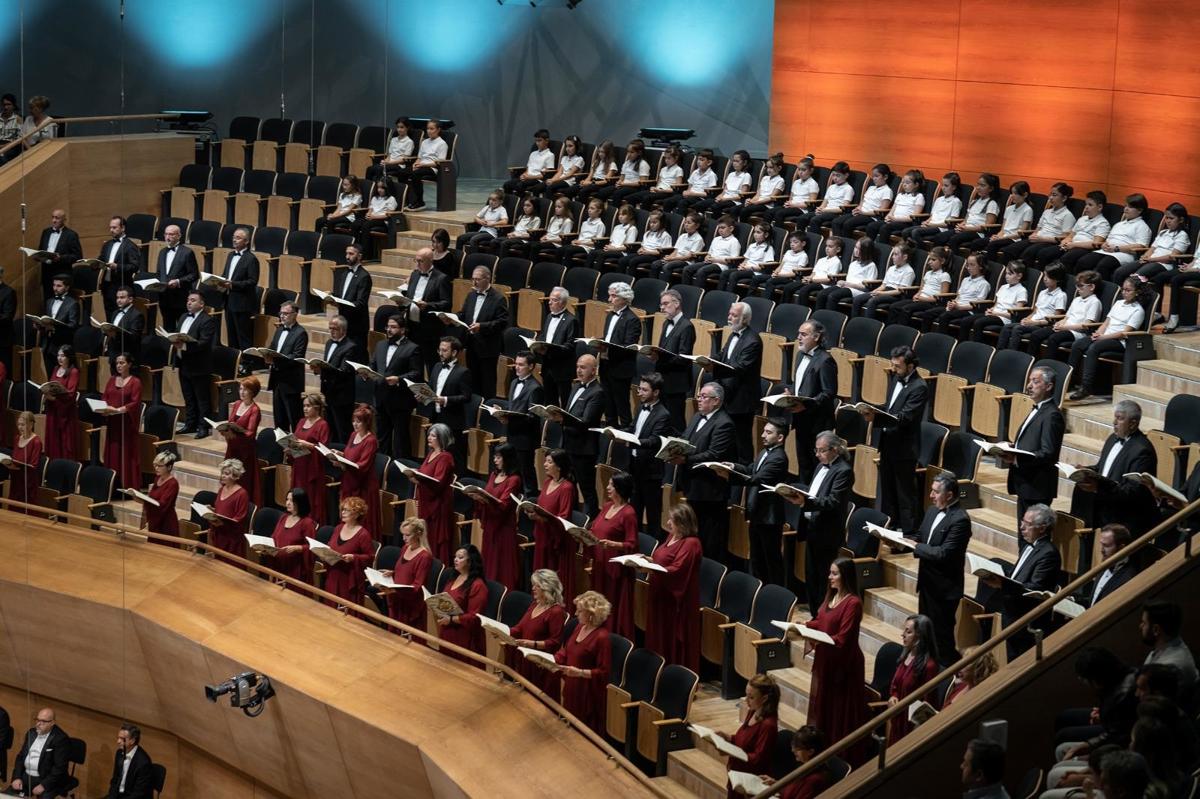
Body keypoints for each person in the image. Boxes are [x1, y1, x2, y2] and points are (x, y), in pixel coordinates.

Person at [800, 558, 869, 749]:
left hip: (843, 665)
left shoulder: (853, 603)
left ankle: (837, 750)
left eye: (834, 573)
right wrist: (804, 625)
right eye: (830, 572)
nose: (830, 577)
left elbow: (843, 638)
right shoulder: (832, 596)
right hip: (826, 660)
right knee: (824, 707)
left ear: (845, 576)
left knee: (838, 711)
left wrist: (816, 635)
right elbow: (822, 622)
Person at [1068, 400, 1158, 544]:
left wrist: (1098, 488)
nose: (1114, 422)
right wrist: (1086, 470)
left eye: (1120, 418)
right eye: (1115, 417)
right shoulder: (1112, 439)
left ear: (1133, 423)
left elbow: (1132, 492)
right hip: (1105, 508)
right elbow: (1102, 468)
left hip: (1123, 518)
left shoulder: (1142, 450)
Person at [786, 431, 854, 614]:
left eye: (821, 450)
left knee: (824, 578)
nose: (817, 454)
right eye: (816, 450)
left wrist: (805, 502)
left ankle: (823, 616)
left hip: (827, 533)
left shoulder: (844, 471)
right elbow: (814, 492)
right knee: (811, 576)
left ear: (835, 450)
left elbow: (833, 501)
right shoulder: (820, 466)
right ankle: (814, 614)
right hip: (812, 528)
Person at [982, 504, 1062, 659]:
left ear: (1042, 528)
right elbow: (1018, 575)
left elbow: (1036, 589)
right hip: (1012, 612)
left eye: (1028, 524)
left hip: (1025, 620)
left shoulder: (1049, 554)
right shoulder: (1028, 546)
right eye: (1022, 522)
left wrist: (1002, 584)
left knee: (1017, 661)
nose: (1022, 527)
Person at [863, 345, 928, 534]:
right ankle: (889, 527)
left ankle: (909, 533)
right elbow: (891, 408)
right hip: (888, 443)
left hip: (905, 449)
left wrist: (876, 418)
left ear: (911, 366)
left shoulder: (920, 387)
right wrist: (872, 409)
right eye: (893, 365)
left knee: (905, 494)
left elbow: (905, 417)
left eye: (897, 366)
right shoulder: (895, 378)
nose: (893, 369)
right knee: (888, 490)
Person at [671, 381, 736, 561]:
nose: (699, 399)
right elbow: (685, 439)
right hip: (693, 486)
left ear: (716, 401)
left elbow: (714, 454)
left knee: (708, 540)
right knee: (693, 535)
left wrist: (685, 459)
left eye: (704, 396)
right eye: (699, 396)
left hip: (710, 492)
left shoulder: (724, 423)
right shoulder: (697, 417)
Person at [913, 473, 973, 665]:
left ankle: (947, 676)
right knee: (924, 634)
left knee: (941, 640)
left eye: (936, 492)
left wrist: (915, 547)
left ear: (949, 495)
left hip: (944, 589)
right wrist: (898, 541)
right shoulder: (932, 511)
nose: (931, 495)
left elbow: (943, 553)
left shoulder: (960, 520)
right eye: (931, 490)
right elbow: (920, 537)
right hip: (927, 584)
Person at [1001, 365, 1065, 538]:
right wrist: (1012, 447)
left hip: (1037, 486)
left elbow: (1048, 453)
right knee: (1024, 536)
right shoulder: (1038, 409)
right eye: (1030, 381)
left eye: (1035, 382)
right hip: (1026, 483)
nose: (1029, 386)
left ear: (1049, 386)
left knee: (1032, 537)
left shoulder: (1052, 415)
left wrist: (1016, 458)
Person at [726, 419, 790, 586]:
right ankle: (760, 591)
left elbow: (756, 479)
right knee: (757, 558)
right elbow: (750, 470)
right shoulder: (764, 452)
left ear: (780, 438)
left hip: (769, 517)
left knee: (771, 561)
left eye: (768, 432)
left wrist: (729, 475)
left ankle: (775, 593)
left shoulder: (779, 458)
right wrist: (733, 466)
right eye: (764, 431)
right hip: (757, 514)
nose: (763, 435)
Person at [639, 503, 702, 671]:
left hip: (675, 603)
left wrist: (650, 568)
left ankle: (672, 674)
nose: (668, 523)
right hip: (660, 596)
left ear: (682, 523)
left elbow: (677, 570)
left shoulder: (691, 543)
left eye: (672, 520)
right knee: (658, 635)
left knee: (670, 638)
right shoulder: (672, 536)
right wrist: (647, 560)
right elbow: (663, 559)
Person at [1067, 278, 1147, 401]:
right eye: (1123, 289)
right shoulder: (1118, 303)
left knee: (1094, 348)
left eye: (1128, 290)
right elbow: (1107, 322)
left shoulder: (1138, 310)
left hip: (1119, 341)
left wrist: (1103, 337)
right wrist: (1098, 333)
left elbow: (1124, 333)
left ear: (1137, 292)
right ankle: (1069, 380)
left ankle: (1086, 387)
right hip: (1104, 336)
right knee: (1078, 344)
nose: (1124, 292)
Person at [618, 372, 675, 540]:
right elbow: (633, 428)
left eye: (644, 390)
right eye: (639, 389)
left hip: (650, 472)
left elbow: (654, 441)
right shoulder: (639, 407)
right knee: (634, 510)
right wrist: (618, 433)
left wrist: (631, 441)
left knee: (652, 514)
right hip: (634, 466)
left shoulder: (663, 414)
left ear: (656, 392)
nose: (639, 392)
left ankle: (652, 548)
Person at [783, 319, 838, 483]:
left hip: (817, 424)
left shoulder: (826, 360)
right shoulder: (800, 355)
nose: (798, 337)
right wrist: (791, 393)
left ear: (816, 337)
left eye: (803, 334)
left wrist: (805, 405)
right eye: (798, 334)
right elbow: (799, 383)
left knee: (816, 467)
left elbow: (829, 393)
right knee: (803, 465)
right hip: (801, 420)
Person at [552, 590, 612, 734]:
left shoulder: (602, 637)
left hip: (587, 693)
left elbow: (604, 672)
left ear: (591, 614)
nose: (575, 614)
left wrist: (580, 672)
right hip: (571, 687)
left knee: (581, 734)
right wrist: (551, 659)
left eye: (579, 611)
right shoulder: (579, 627)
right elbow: (567, 650)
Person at [710, 302, 763, 463]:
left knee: (742, 443)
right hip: (729, 394)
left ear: (744, 319)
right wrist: (709, 360)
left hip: (742, 401)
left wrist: (714, 368)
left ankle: (743, 474)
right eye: (729, 314)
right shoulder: (733, 334)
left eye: (734, 315)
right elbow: (723, 355)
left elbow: (739, 368)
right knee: (728, 442)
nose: (729, 318)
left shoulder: (753, 340)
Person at [555, 354, 605, 517]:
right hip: (568, 444)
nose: (578, 370)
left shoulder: (598, 392)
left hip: (584, 449)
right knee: (569, 486)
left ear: (594, 370)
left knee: (587, 489)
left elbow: (586, 421)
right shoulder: (576, 387)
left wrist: (562, 418)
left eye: (583, 367)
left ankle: (590, 521)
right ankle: (572, 517)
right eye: (577, 366)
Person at [590, 473, 639, 639]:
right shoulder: (607, 506)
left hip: (616, 569)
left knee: (612, 604)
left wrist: (613, 544)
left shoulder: (628, 513)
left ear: (620, 488)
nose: (607, 487)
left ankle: (612, 639)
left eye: (611, 485)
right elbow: (595, 528)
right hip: (600, 564)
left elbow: (632, 545)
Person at [502, 569, 566, 693]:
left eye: (537, 586)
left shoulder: (556, 612)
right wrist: (503, 631)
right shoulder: (534, 604)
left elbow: (555, 642)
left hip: (540, 666)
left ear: (547, 588)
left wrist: (533, 644)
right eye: (533, 585)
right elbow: (520, 628)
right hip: (527, 659)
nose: (533, 588)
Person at [369, 314, 422, 459]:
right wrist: (366, 372)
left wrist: (399, 379)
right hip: (381, 399)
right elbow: (373, 365)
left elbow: (417, 373)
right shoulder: (380, 345)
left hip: (400, 401)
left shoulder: (413, 348)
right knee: (382, 439)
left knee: (400, 442)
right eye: (388, 326)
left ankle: (401, 469)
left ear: (402, 330)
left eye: (393, 327)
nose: (389, 330)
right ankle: (384, 468)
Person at [526, 449, 576, 599]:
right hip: (542, 536)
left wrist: (541, 518)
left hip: (556, 541)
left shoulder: (567, 487)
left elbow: (563, 518)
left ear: (559, 466)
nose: (545, 465)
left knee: (550, 582)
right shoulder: (547, 482)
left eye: (549, 462)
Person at [720, 674, 780, 798]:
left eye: (751, 697)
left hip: (749, 782)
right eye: (746, 695)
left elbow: (758, 759)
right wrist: (729, 738)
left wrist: (733, 752)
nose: (746, 700)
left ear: (764, 698)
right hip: (737, 774)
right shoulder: (753, 711)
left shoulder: (768, 725)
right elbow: (744, 740)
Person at [887, 614, 940, 745]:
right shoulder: (906, 655)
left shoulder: (929, 666)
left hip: (912, 726)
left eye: (908, 632)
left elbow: (928, 703)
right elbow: (896, 685)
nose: (902, 634)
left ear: (920, 636)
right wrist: (893, 696)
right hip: (898, 719)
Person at [457, 265, 509, 400]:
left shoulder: (499, 298)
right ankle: (475, 408)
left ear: (488, 279)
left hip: (488, 348)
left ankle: (486, 409)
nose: (474, 282)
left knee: (487, 383)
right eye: (473, 279)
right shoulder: (471, 295)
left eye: (477, 279)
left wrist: (482, 326)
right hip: (471, 344)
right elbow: (463, 314)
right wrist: (452, 318)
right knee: (473, 381)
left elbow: (502, 322)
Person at [332, 405, 382, 540]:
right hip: (349, 482)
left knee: (361, 520)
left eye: (358, 422)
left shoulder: (371, 441)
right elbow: (350, 456)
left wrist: (343, 463)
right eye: (353, 421)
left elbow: (362, 466)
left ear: (366, 423)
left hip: (363, 486)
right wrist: (339, 455)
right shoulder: (353, 435)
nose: (355, 424)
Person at [594, 281, 640, 426]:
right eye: (610, 296)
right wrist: (598, 342)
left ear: (624, 298)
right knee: (608, 405)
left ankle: (625, 432)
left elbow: (629, 347)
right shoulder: (610, 316)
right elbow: (609, 338)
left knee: (622, 406)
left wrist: (606, 348)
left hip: (620, 368)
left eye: (613, 296)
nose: (609, 299)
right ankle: (609, 432)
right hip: (606, 365)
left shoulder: (632, 319)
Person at [649, 289, 696, 430]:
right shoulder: (666, 323)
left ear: (676, 304)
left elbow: (683, 357)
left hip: (676, 383)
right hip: (663, 379)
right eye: (661, 304)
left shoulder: (687, 326)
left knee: (676, 422)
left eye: (665, 304)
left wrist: (660, 358)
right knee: (662, 421)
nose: (662, 307)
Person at [476, 443, 521, 588]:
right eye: (494, 457)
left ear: (507, 458)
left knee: (502, 566)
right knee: (489, 562)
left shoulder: (514, 479)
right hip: (490, 525)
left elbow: (504, 504)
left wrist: (485, 500)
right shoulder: (493, 475)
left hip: (504, 528)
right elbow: (488, 493)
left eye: (498, 457)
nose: (495, 460)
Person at [498, 350, 543, 494]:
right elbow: (512, 407)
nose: (517, 367)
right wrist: (502, 413)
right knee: (513, 474)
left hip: (525, 439)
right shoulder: (513, 382)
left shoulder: (536, 388)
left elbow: (532, 417)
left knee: (526, 474)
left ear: (531, 366)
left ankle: (530, 500)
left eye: (521, 365)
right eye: (516, 364)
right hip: (512, 435)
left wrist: (510, 418)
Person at [403, 248, 452, 374]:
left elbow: (446, 303)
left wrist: (428, 305)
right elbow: (410, 296)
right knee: (414, 365)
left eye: (421, 261)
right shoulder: (414, 275)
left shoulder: (441, 278)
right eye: (416, 260)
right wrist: (402, 302)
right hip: (412, 327)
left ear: (431, 260)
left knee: (431, 364)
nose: (417, 264)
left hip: (429, 329)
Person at [174, 292, 216, 438]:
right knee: (189, 398)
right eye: (188, 300)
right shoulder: (183, 317)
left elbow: (204, 343)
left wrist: (184, 346)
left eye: (193, 300)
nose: (189, 302)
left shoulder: (207, 320)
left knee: (202, 399)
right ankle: (190, 424)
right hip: (183, 363)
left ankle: (203, 427)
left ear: (201, 304)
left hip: (199, 366)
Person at [312, 315, 360, 444]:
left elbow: (344, 371)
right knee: (330, 430)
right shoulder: (329, 343)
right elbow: (328, 364)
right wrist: (318, 369)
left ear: (343, 330)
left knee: (342, 431)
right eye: (330, 328)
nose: (332, 331)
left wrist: (322, 370)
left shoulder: (351, 347)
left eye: (335, 328)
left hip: (342, 396)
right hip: (329, 393)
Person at [437, 544, 488, 664]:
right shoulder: (454, 577)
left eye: (460, 557)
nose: (456, 559)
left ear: (470, 562)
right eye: (455, 557)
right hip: (447, 631)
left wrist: (451, 619)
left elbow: (474, 617)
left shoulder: (478, 585)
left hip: (465, 638)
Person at [427, 337, 472, 471]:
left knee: (453, 456)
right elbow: (431, 389)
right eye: (439, 350)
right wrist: (423, 396)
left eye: (444, 350)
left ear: (454, 352)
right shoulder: (436, 366)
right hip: (436, 417)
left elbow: (466, 397)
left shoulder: (463, 372)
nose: (441, 353)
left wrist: (446, 400)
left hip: (452, 421)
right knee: (435, 453)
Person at [413, 423, 456, 564]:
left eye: (433, 436)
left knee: (435, 540)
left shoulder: (446, 457)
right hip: (426, 503)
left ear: (441, 438)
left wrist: (419, 480)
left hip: (438, 507)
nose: (429, 438)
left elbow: (438, 483)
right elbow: (424, 473)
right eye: (429, 435)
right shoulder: (431, 453)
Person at [288, 391, 331, 524]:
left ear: (317, 408)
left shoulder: (322, 425)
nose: (305, 409)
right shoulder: (301, 422)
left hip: (312, 469)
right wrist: (290, 448)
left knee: (310, 499)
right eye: (304, 406)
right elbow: (295, 440)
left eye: (308, 406)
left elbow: (323, 450)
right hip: (299, 466)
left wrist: (309, 445)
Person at [265, 301, 308, 433]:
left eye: (286, 313)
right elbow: (272, 348)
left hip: (291, 383)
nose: (282, 316)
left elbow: (297, 357)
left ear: (295, 314)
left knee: (294, 420)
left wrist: (275, 360)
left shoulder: (301, 333)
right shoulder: (279, 330)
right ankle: (280, 445)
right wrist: (266, 354)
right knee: (279, 421)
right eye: (281, 313)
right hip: (277, 381)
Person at [534, 286, 581, 408]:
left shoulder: (572, 321)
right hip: (547, 367)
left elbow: (570, 347)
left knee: (565, 404)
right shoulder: (549, 317)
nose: (549, 302)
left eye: (553, 300)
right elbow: (544, 336)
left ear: (563, 302)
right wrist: (537, 344)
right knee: (550, 403)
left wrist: (548, 351)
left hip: (562, 369)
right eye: (550, 299)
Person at [323, 496, 375, 606]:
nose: (343, 512)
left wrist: (354, 558)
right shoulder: (338, 528)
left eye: (347, 510)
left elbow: (370, 558)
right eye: (342, 509)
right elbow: (331, 545)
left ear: (356, 514)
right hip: (333, 575)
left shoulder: (363, 535)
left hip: (349, 580)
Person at [759, 725, 836, 799]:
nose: (793, 750)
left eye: (798, 748)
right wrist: (776, 785)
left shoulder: (814, 781)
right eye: (793, 746)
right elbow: (793, 790)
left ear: (810, 751)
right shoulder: (806, 765)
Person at [215, 227, 258, 357]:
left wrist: (233, 284)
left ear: (246, 241)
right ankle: (234, 362)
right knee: (231, 335)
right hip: (229, 301)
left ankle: (246, 363)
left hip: (242, 304)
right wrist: (219, 281)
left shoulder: (251, 259)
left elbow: (252, 281)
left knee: (243, 338)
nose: (234, 240)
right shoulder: (230, 255)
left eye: (238, 238)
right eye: (234, 237)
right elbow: (226, 275)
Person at [385, 519, 433, 632]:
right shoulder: (405, 548)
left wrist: (395, 590)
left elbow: (418, 586)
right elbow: (405, 570)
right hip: (397, 600)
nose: (404, 538)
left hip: (410, 604)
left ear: (418, 534)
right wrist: (393, 573)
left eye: (407, 535)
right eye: (403, 534)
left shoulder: (424, 557)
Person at [9, 707, 69, 798]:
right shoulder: (31, 733)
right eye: (37, 720)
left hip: (46, 778)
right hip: (26, 775)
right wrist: (16, 777)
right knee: (9, 794)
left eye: (43, 721)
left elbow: (60, 767)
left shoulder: (60, 739)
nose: (38, 724)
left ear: (52, 722)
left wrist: (44, 785)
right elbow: (21, 757)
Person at [103, 353, 143, 490]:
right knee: (113, 452)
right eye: (117, 363)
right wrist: (104, 408)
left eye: (122, 363)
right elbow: (105, 397)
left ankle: (127, 484)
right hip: (113, 422)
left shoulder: (135, 382)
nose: (118, 365)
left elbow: (135, 403)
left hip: (127, 424)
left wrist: (119, 410)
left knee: (126, 453)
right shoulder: (111, 379)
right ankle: (113, 485)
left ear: (129, 364)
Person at [1140, 600, 1198, 694]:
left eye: (1144, 623)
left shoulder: (1170, 668)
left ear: (1156, 630)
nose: (1140, 626)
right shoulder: (1165, 646)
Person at [260, 488, 314, 585]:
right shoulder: (283, 518)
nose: (288, 503)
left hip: (295, 570)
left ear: (300, 502)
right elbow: (274, 537)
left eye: (292, 501)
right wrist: (266, 548)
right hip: (278, 565)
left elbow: (312, 547)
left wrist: (299, 548)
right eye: (287, 499)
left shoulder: (307, 523)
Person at [221, 376, 261, 506]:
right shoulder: (237, 404)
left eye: (245, 390)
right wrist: (225, 431)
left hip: (245, 452)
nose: (242, 392)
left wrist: (235, 435)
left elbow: (250, 433)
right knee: (228, 477)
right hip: (232, 448)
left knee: (242, 481)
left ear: (252, 392)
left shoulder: (255, 410)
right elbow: (230, 422)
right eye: (241, 389)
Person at [152, 223, 198, 329]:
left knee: (182, 328)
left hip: (180, 298)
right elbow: (159, 273)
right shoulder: (162, 252)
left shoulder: (187, 252)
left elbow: (194, 275)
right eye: (166, 234)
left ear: (179, 236)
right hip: (164, 298)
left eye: (171, 234)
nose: (168, 237)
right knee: (168, 327)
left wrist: (178, 281)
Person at [1081, 524, 1138, 607]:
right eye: (1101, 544)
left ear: (1121, 548)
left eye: (1106, 546)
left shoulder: (1128, 578)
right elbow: (1096, 599)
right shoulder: (1105, 563)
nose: (1102, 550)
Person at [95, 216, 142, 316]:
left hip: (122, 287)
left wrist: (117, 266)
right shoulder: (107, 244)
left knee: (121, 317)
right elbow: (101, 259)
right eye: (110, 227)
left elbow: (135, 267)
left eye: (114, 227)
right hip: (107, 286)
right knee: (109, 316)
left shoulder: (130, 246)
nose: (111, 230)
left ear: (123, 228)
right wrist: (94, 264)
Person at [330, 243, 372, 347]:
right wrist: (332, 297)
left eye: (351, 254)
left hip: (356, 325)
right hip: (344, 322)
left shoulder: (364, 276)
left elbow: (361, 303)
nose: (347, 257)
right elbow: (343, 296)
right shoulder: (344, 274)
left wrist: (342, 303)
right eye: (346, 253)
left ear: (359, 256)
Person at [207, 458, 250, 559]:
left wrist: (223, 524)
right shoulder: (221, 489)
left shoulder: (242, 494)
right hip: (218, 534)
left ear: (235, 476)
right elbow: (220, 510)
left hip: (232, 539)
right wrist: (211, 510)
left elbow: (240, 518)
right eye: (222, 473)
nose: (222, 476)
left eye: (226, 474)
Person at [42, 345, 79, 460]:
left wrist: (54, 399)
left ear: (69, 357)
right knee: (53, 439)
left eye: (63, 356)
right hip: (53, 410)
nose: (59, 358)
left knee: (64, 441)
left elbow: (71, 394)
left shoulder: (74, 371)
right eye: (58, 355)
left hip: (65, 412)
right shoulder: (55, 369)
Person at [403, 119, 448, 211]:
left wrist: (422, 165)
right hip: (421, 166)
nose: (429, 131)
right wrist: (415, 164)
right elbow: (419, 158)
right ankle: (408, 200)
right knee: (402, 172)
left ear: (438, 130)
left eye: (432, 129)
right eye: (428, 128)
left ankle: (420, 202)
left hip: (432, 168)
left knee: (415, 174)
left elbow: (439, 163)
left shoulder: (442, 144)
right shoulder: (424, 142)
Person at [36, 209, 82, 301]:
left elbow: (77, 256)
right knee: (48, 302)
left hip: (62, 276)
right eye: (53, 217)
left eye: (57, 218)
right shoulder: (46, 232)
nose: (54, 220)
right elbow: (40, 250)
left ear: (64, 220)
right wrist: (37, 256)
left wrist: (61, 258)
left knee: (62, 304)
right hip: (46, 275)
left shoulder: (71, 235)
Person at [39, 274, 79, 375]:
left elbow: (73, 325)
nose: (55, 288)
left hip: (62, 344)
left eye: (59, 286)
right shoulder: (49, 301)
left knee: (60, 376)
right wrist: (40, 325)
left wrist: (55, 327)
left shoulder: (73, 303)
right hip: (48, 344)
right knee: (47, 374)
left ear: (67, 287)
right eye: (54, 285)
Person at [107, 723, 153, 799]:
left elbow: (138, 793)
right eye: (118, 738)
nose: (118, 741)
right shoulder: (119, 753)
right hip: (119, 795)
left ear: (132, 741)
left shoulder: (144, 763)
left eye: (122, 739)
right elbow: (115, 780)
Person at [503, 128, 555, 195]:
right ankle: (510, 200)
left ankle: (522, 200)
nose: (537, 143)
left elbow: (547, 175)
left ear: (547, 141)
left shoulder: (550, 155)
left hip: (537, 179)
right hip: (527, 177)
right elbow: (528, 169)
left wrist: (529, 177)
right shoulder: (533, 154)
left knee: (520, 185)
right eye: (536, 141)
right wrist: (523, 175)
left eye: (539, 141)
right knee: (507, 184)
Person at [104, 286, 144, 371]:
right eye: (117, 297)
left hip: (127, 359)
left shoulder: (137, 315)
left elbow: (134, 338)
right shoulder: (115, 313)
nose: (118, 300)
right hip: (114, 357)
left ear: (130, 299)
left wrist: (116, 334)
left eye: (122, 297)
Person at [8, 411, 42, 508]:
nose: (20, 427)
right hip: (16, 481)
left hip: (28, 484)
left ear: (31, 425)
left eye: (23, 425)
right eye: (18, 424)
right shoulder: (17, 438)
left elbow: (33, 466)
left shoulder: (36, 442)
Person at [366, 117, 413, 182]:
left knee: (379, 169)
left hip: (399, 165)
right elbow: (389, 156)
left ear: (407, 128)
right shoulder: (393, 140)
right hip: (389, 163)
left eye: (402, 127)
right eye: (398, 127)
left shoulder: (409, 142)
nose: (399, 129)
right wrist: (385, 161)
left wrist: (389, 163)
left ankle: (379, 186)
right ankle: (370, 186)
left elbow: (404, 160)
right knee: (369, 168)